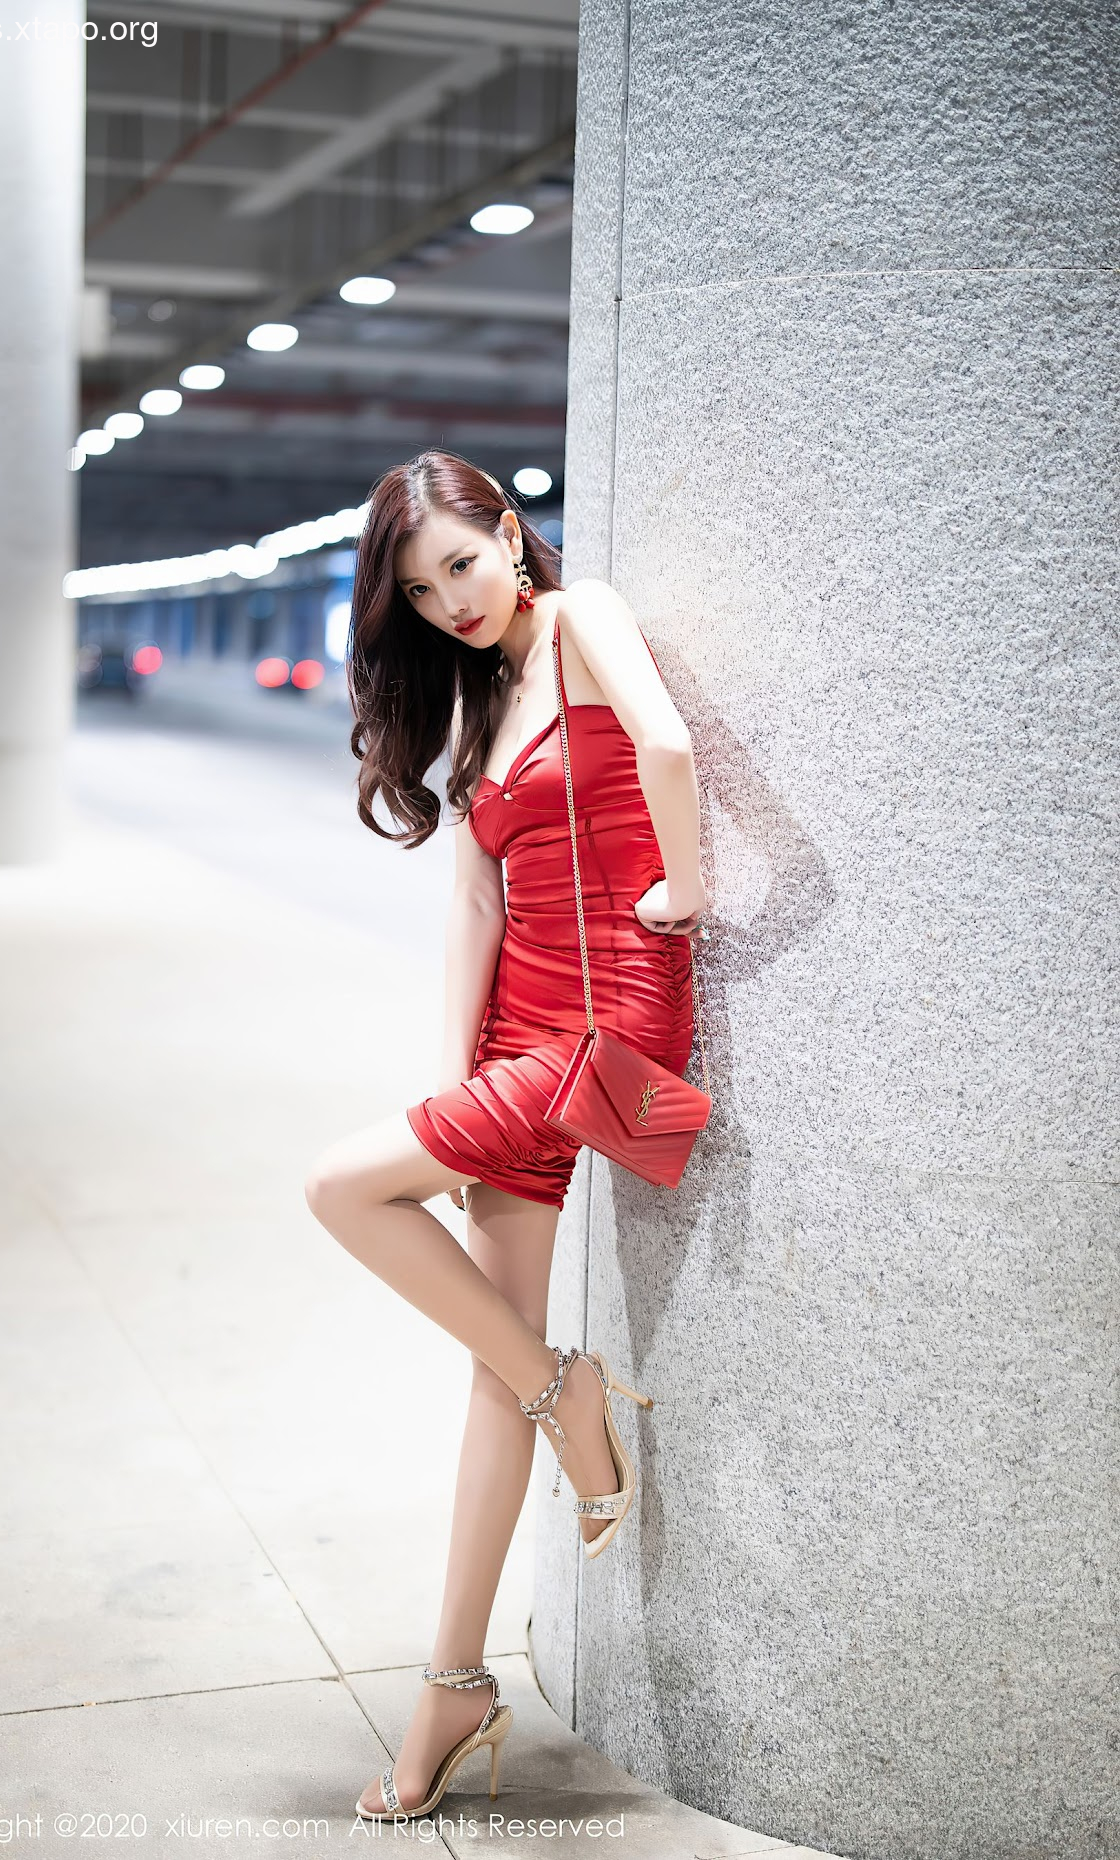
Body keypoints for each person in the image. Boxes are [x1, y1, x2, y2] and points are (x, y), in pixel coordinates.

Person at [303, 450, 708, 1820]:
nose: (450, 603)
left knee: (339, 1189)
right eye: (418, 591)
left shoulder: (582, 613)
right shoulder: (474, 704)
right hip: (517, 1028)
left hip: (609, 1011)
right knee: (496, 1358)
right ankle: (455, 1682)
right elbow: (473, 906)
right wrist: (448, 1086)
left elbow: (665, 743)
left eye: (461, 565)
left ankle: (571, 1400)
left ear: (509, 536)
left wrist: (687, 890)